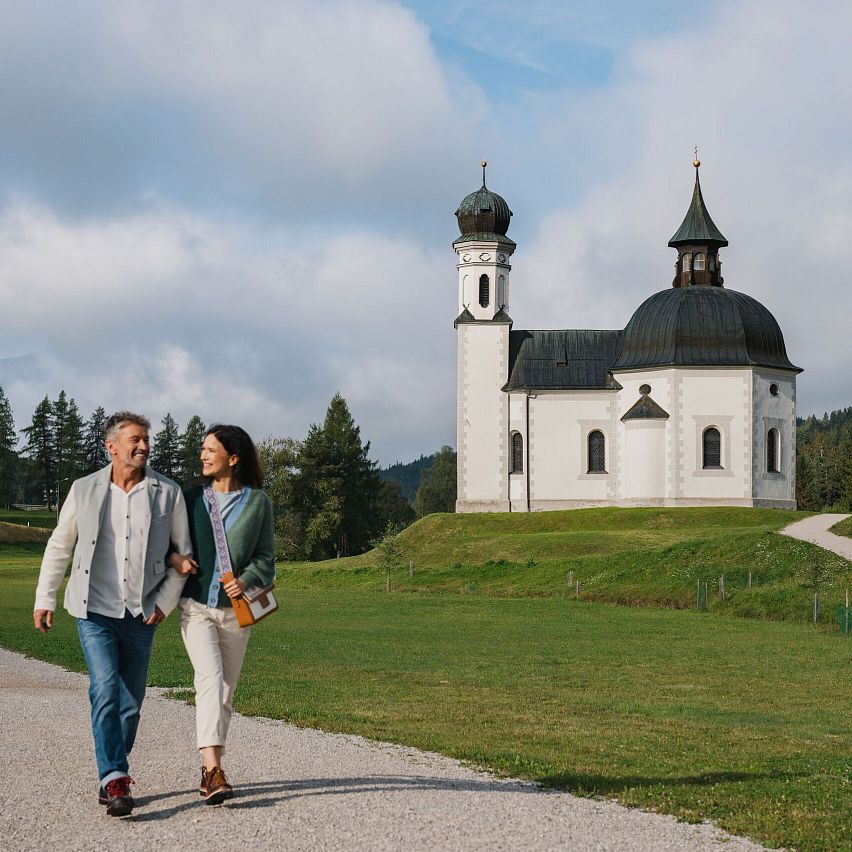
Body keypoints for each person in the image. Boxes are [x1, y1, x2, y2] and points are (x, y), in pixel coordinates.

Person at [33, 411, 191, 817]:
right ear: (112, 447)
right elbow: (60, 545)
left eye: (146, 440)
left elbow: (183, 556)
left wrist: (164, 602)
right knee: (104, 688)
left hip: (142, 613)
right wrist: (44, 598)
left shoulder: (167, 492)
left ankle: (111, 771)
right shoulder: (83, 489)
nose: (143, 446)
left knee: (131, 703)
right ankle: (115, 777)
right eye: (135, 440)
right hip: (94, 610)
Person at [164, 424, 275, 805]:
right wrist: (176, 559)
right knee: (210, 680)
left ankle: (208, 771)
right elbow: (162, 542)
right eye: (203, 449)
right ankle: (213, 769)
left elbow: (266, 558)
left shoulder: (258, 502)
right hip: (195, 608)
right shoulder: (190, 496)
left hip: (235, 614)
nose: (203, 456)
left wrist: (246, 580)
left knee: (225, 692)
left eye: (211, 450)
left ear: (234, 457)